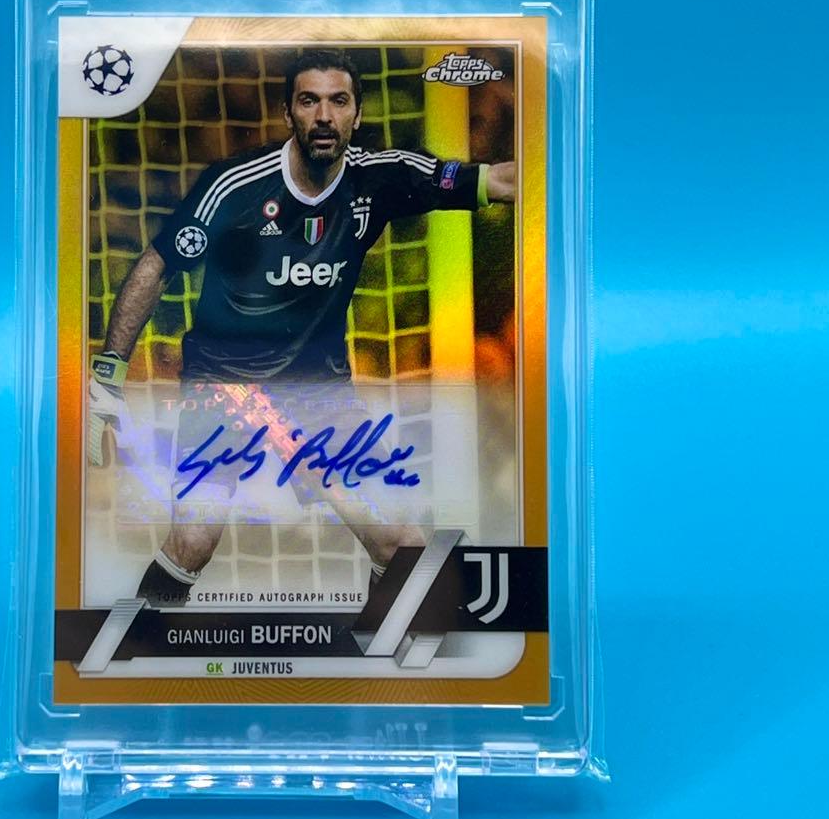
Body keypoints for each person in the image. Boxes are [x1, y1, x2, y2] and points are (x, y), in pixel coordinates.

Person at [87, 48, 515, 621]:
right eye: (309, 101)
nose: (324, 116)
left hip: (316, 391)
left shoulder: (382, 175)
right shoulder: (235, 186)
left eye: (338, 101)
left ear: (357, 114)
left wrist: (563, 167)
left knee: (402, 543)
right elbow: (156, 265)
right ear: (288, 112)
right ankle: (132, 643)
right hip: (222, 386)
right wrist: (108, 374)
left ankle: (378, 654)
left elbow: (501, 179)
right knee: (193, 540)